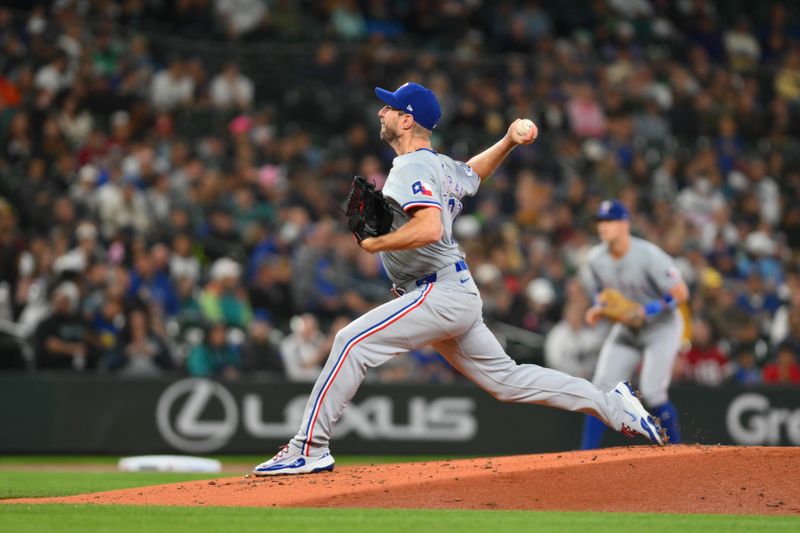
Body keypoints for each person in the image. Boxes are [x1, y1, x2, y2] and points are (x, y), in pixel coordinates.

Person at [253, 82, 665, 477]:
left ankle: (308, 449)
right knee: (507, 380)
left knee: (350, 342)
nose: (382, 111)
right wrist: (506, 141)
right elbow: (473, 173)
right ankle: (613, 406)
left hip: (438, 292)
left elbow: (430, 228)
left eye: (390, 107)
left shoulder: (410, 167)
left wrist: (377, 245)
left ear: (407, 120)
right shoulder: (438, 165)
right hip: (453, 292)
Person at [578, 200, 690, 449]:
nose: (603, 226)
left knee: (652, 391)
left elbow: (680, 292)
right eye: (601, 221)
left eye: (610, 220)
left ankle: (678, 454)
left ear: (625, 223)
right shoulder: (596, 259)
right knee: (600, 390)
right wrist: (600, 307)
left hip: (662, 327)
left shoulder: (648, 255)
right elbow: (601, 292)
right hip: (628, 328)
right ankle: (584, 456)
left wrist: (646, 310)